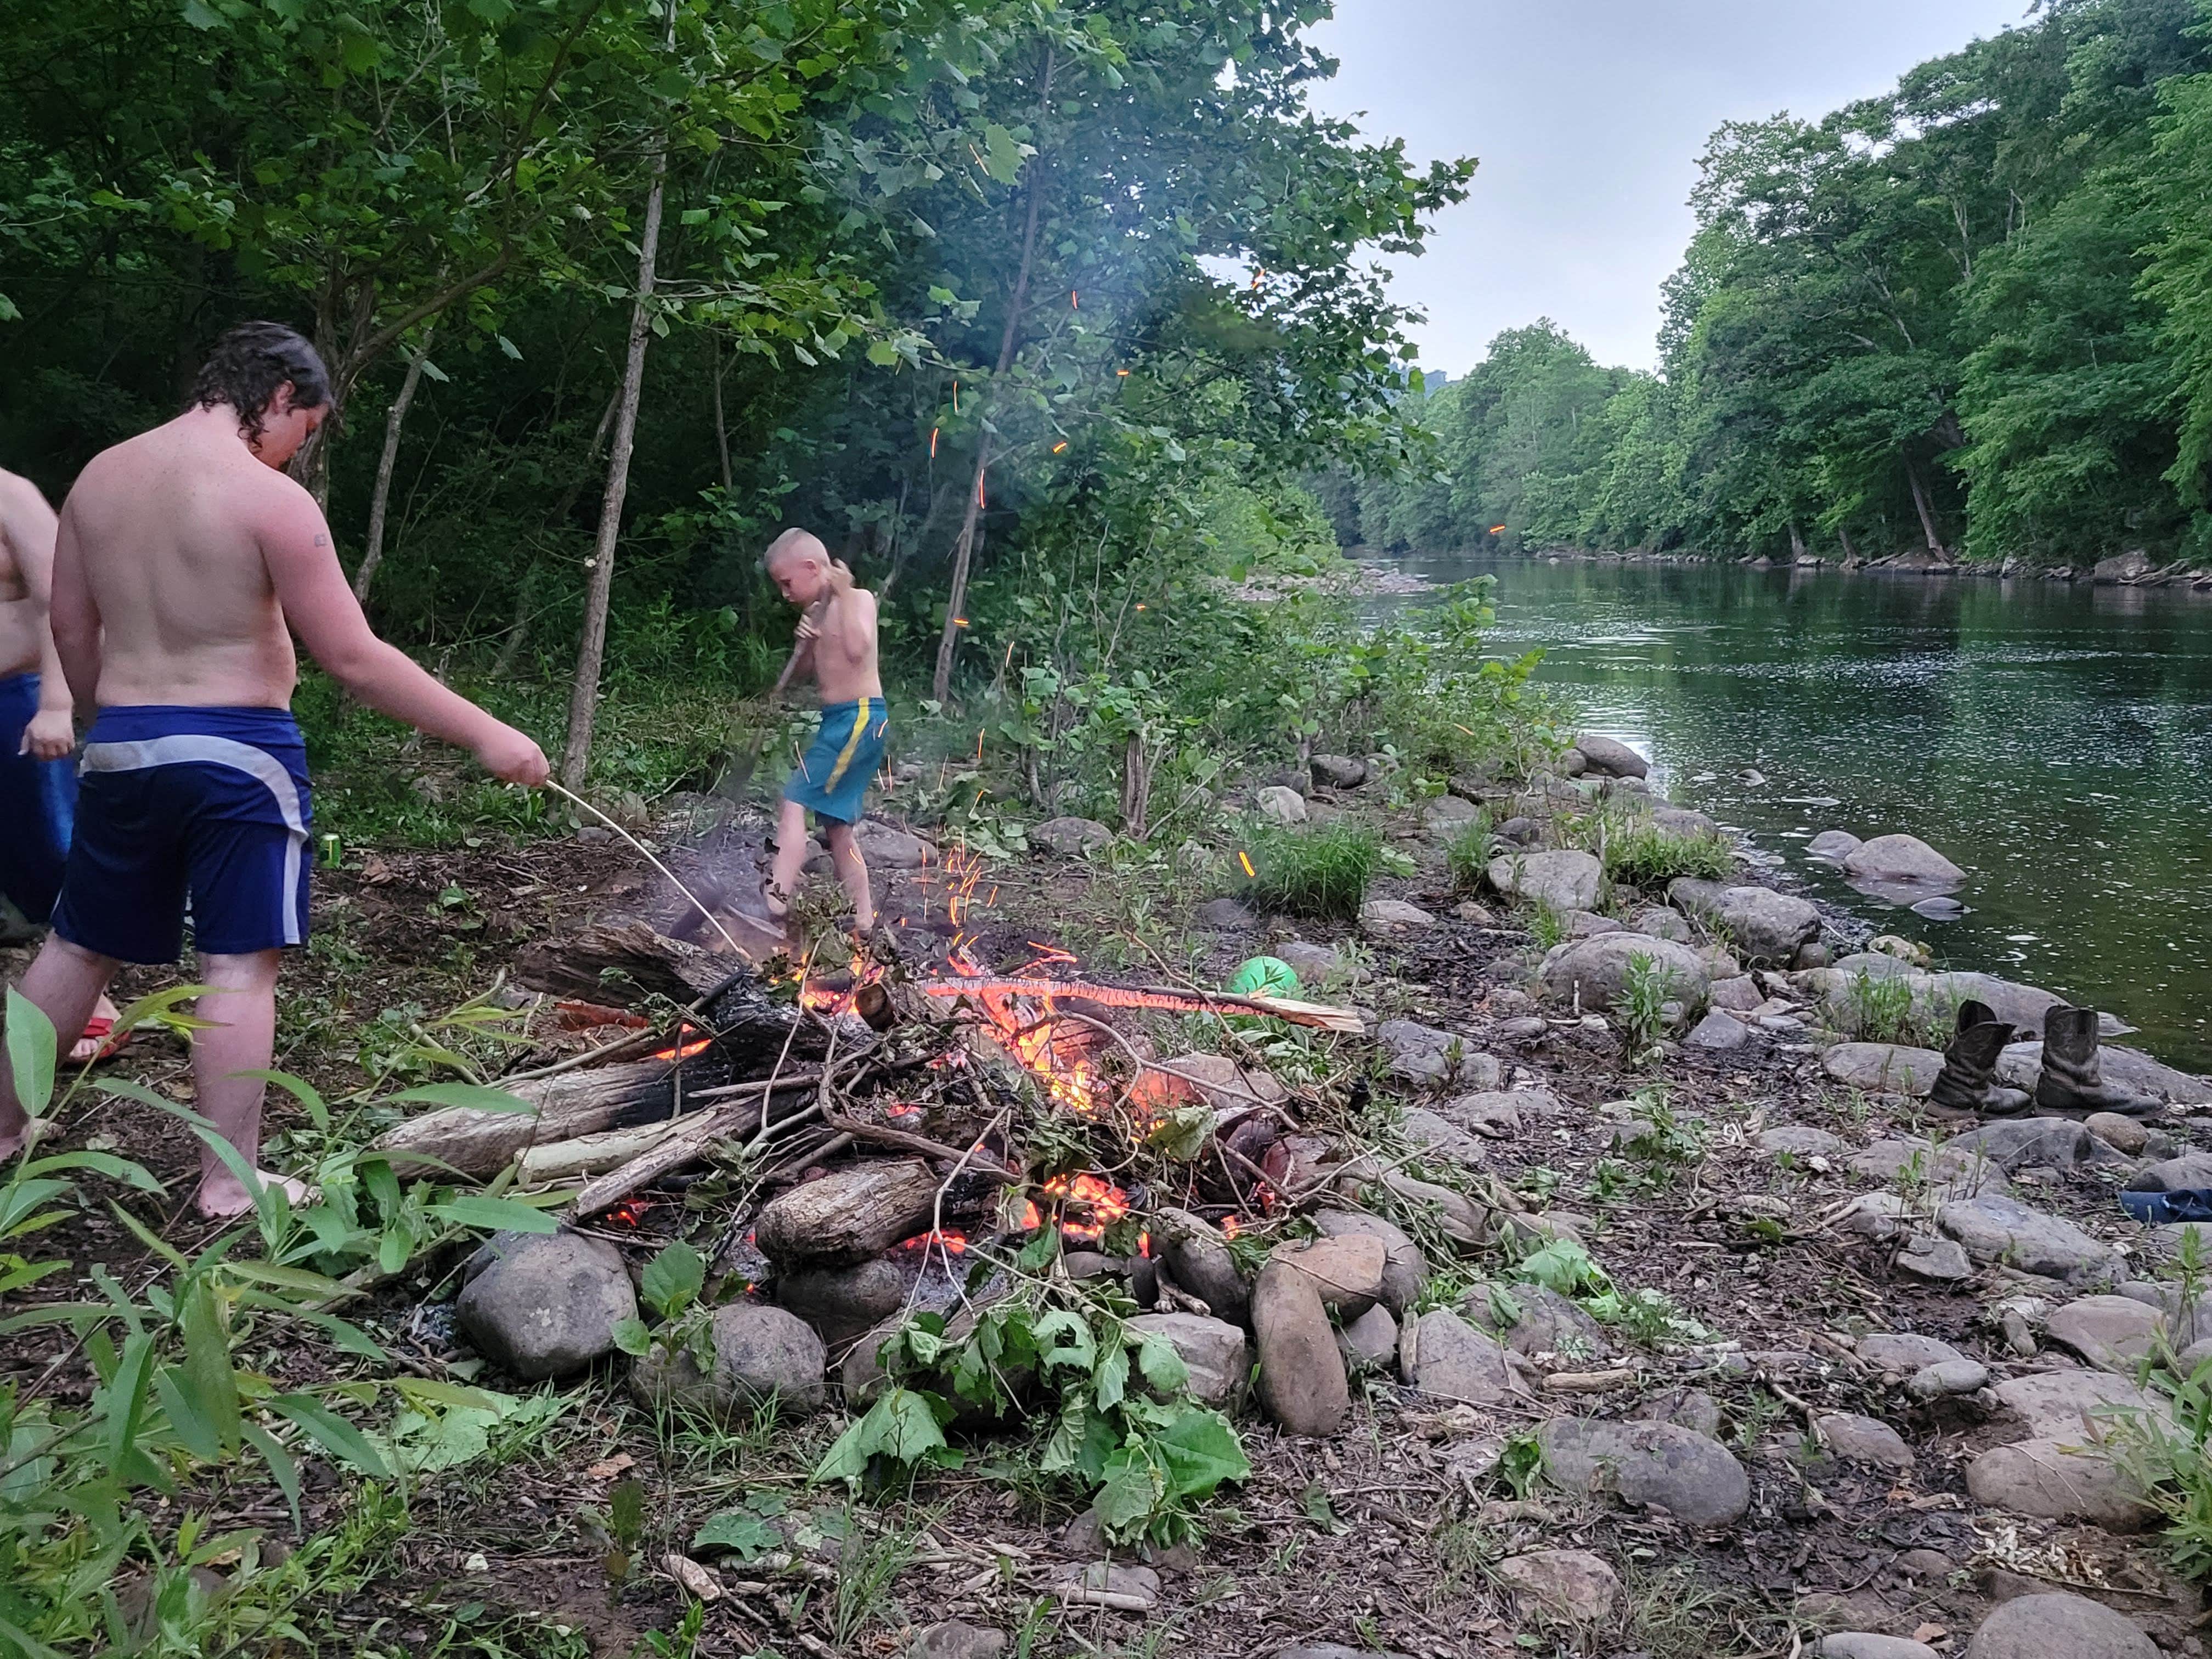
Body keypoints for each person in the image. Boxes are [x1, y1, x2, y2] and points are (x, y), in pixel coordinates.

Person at [0, 321, 550, 1215]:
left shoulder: (101, 477)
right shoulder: (269, 501)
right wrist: (488, 733)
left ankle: (2, 1128)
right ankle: (229, 1179)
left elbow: (69, 627)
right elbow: (356, 660)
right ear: (282, 395)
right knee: (239, 964)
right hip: (240, 755)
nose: (301, 450)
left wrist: (114, 720)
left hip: (127, 741)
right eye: (309, 428)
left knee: (76, 941)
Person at [0, 466, 122, 1060]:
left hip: (14, 698)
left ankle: (89, 996)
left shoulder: (11, 495)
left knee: (50, 847)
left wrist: (56, 703)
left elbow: (64, 601)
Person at [762, 528, 887, 941]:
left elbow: (858, 648)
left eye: (787, 582)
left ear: (813, 568)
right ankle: (864, 920)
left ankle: (774, 901)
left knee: (795, 797)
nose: (784, 593)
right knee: (837, 828)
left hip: (861, 718)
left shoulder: (859, 600)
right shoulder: (816, 612)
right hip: (839, 720)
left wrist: (846, 594)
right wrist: (804, 642)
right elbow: (805, 676)